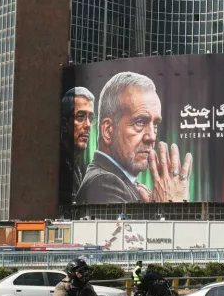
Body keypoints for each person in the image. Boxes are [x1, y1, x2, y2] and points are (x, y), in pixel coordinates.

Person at [75, 72, 192, 204]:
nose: (152, 137)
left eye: (155, 124)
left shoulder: (121, 182)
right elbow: (125, 226)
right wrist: (172, 205)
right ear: (108, 130)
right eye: (140, 122)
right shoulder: (104, 183)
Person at [62, 86, 95, 198]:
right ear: (64, 124)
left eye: (91, 118)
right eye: (80, 117)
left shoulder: (75, 166)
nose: (88, 125)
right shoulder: (55, 169)